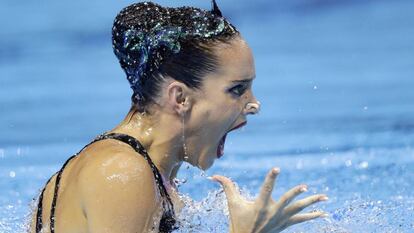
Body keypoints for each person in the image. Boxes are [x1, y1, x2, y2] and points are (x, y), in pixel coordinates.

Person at [29, 1, 328, 232]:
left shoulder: (152, 174)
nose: (254, 104)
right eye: (237, 90)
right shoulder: (121, 174)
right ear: (180, 98)